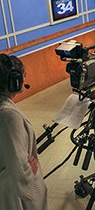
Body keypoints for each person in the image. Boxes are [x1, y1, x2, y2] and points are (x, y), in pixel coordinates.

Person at [0, 54, 47, 210]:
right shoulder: (8, 116)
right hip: (16, 196)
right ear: (15, 81)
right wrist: (29, 172)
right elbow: (18, 168)